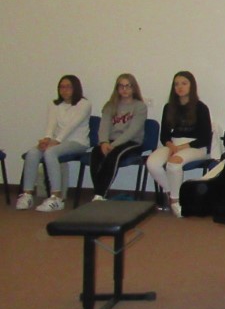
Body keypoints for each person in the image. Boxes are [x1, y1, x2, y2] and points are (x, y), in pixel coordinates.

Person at [16, 75, 92, 212]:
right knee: (32, 153)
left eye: (68, 87)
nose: (64, 90)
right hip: (56, 141)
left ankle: (56, 197)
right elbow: (51, 125)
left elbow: (71, 126)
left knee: (50, 152)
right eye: (61, 87)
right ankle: (27, 194)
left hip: (77, 142)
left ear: (75, 88)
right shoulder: (54, 104)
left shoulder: (84, 104)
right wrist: (46, 139)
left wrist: (55, 142)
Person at [146, 71, 212, 218]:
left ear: (191, 86)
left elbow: (205, 138)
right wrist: (171, 146)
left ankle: (175, 201)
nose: (180, 87)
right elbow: (164, 135)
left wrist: (179, 148)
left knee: (173, 163)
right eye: (176, 84)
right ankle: (173, 193)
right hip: (173, 144)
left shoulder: (201, 108)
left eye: (184, 83)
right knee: (152, 163)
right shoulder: (169, 107)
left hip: (195, 147)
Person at [90, 73, 148, 200]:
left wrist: (113, 145)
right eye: (121, 86)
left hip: (132, 142)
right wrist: (104, 142)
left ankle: (100, 194)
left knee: (114, 154)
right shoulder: (110, 105)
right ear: (117, 88)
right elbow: (104, 126)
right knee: (95, 153)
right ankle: (98, 193)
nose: (124, 89)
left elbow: (132, 131)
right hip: (110, 142)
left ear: (134, 88)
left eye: (128, 86)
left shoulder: (140, 106)